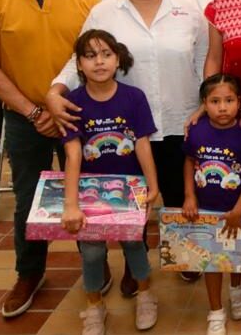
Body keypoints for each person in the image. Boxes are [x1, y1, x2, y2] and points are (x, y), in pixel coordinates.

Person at [46, 0, 207, 289]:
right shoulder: (104, 12)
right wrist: (56, 91)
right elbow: (81, 59)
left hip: (180, 120)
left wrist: (206, 107)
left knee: (178, 195)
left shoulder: (188, 9)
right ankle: (134, 266)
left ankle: (183, 253)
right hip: (124, 130)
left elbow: (203, 62)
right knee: (129, 197)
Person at [0, 0, 101, 317]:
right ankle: (29, 273)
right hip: (24, 117)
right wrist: (33, 111)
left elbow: (98, 57)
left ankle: (94, 270)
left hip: (80, 114)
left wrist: (60, 105)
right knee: (28, 197)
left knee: (89, 195)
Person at [58, 30, 160, 334]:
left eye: (106, 54)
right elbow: (73, 155)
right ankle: (93, 306)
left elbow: (142, 144)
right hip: (90, 193)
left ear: (118, 59)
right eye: (90, 56)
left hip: (130, 189)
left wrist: (153, 186)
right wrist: (71, 203)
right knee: (91, 252)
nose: (99, 62)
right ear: (78, 64)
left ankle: (145, 296)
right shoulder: (72, 103)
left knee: (134, 244)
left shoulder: (134, 97)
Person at [182, 74, 241, 335]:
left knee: (236, 257)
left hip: (239, 211)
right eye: (215, 101)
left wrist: (238, 210)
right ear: (204, 102)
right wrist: (189, 196)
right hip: (205, 211)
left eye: (229, 100)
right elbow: (190, 161)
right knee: (211, 262)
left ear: (239, 102)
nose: (222, 107)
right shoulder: (197, 129)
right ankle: (215, 310)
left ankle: (236, 290)